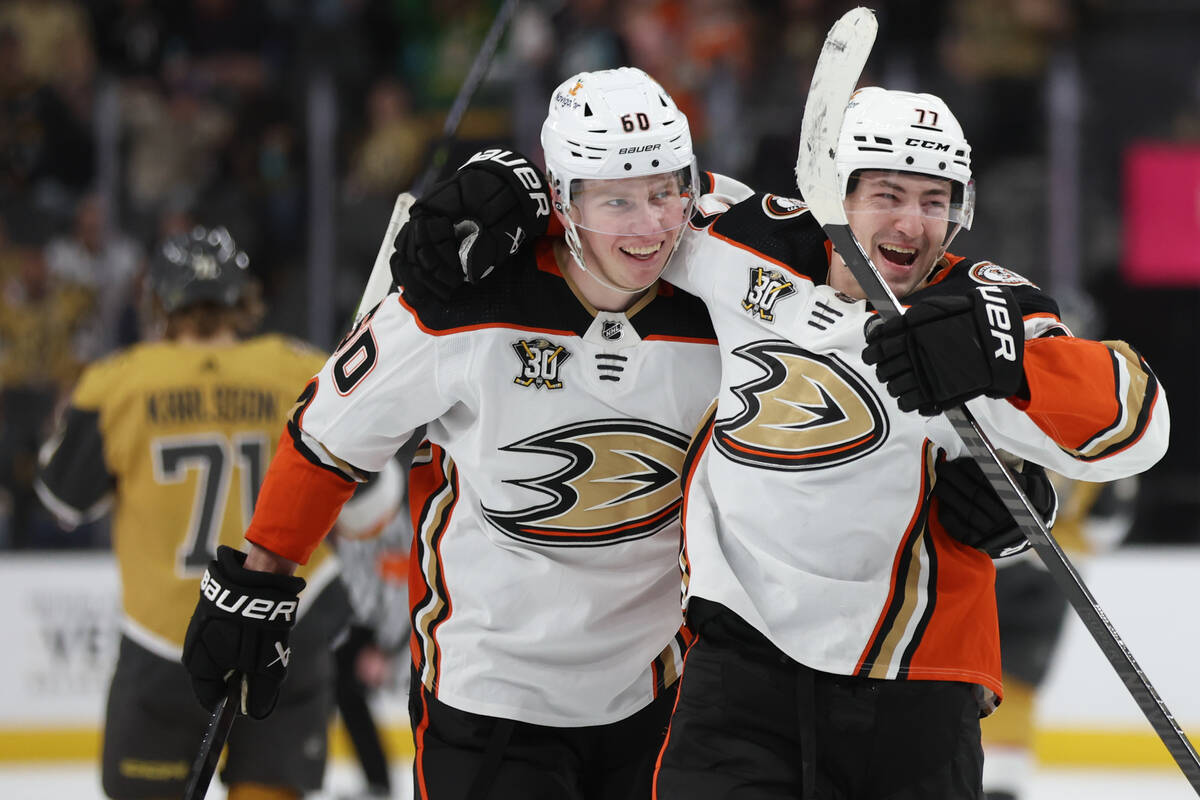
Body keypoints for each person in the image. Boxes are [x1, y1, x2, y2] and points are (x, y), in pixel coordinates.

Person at [394, 83, 1168, 799]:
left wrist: (1009, 367)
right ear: (835, 194)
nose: (911, 223)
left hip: (912, 695)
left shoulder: (981, 309)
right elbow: (632, 202)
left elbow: (1138, 421)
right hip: (741, 680)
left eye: (936, 200)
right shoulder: (743, 245)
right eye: (887, 194)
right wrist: (515, 184)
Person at [180, 67, 721, 800]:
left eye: (665, 191)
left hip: (655, 692)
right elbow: (328, 436)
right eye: (617, 199)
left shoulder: (719, 282)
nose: (651, 225)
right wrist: (262, 574)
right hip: (490, 694)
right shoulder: (462, 297)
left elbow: (805, 237)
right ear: (563, 199)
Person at [34, 226, 375, 800]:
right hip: (280, 633)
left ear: (159, 302)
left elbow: (62, 498)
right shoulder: (304, 371)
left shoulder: (118, 383)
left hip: (164, 642)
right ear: (243, 299)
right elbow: (371, 510)